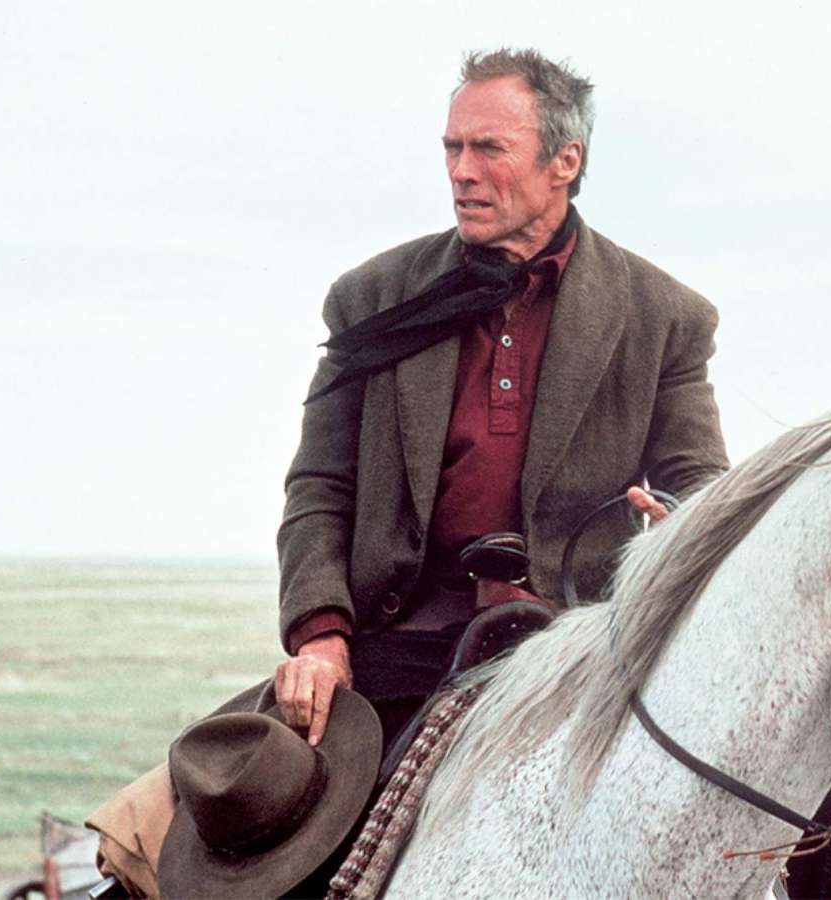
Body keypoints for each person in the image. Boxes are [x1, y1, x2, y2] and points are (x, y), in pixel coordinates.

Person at [271, 48, 729, 750]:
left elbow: (699, 487)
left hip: (582, 648)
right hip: (397, 645)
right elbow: (320, 485)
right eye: (452, 148)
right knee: (247, 797)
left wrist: (685, 526)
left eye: (488, 148)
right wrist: (320, 636)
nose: (462, 171)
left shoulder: (661, 315)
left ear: (565, 161)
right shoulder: (374, 297)